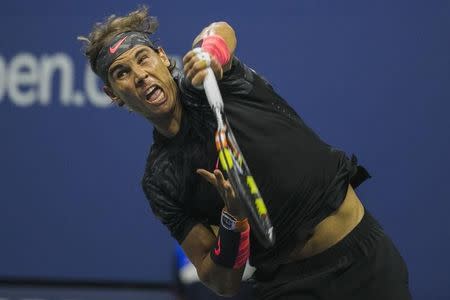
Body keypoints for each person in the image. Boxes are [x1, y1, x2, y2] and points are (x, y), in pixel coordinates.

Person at [79, 6, 411, 299]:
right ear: (113, 94)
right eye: (122, 73)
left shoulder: (212, 81)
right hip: (287, 287)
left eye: (143, 58)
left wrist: (210, 54)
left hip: (363, 260)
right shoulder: (160, 181)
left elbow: (220, 29)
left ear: (163, 57)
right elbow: (220, 282)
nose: (139, 75)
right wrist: (232, 221)